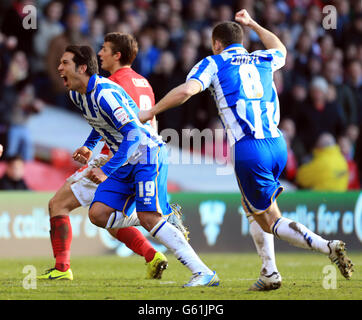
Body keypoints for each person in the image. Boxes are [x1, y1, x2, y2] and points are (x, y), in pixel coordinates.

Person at [139, 9, 354, 290]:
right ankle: (269, 273)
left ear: (216, 43)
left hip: (249, 149)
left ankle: (327, 246)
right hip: (277, 144)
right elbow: (280, 48)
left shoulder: (213, 63)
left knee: (270, 220)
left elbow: (187, 91)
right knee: (253, 207)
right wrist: (253, 23)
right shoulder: (263, 58)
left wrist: (151, 112)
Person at [55, 44, 219, 287]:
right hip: (126, 158)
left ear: (81, 68)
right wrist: (90, 146)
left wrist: (106, 169)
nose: (59, 68)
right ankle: (162, 216)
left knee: (148, 216)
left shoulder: (105, 94)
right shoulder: (77, 94)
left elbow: (133, 134)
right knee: (98, 214)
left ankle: (203, 272)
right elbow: (99, 123)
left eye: (64, 63)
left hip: (146, 155)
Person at [38, 33, 188, 282]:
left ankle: (63, 268)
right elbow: (144, 120)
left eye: (105, 49)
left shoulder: (109, 84)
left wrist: (106, 162)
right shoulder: (144, 83)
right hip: (142, 154)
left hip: (118, 157)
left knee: (59, 205)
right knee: (104, 215)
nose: (100, 54)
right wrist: (89, 145)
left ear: (117, 55)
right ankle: (152, 254)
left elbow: (125, 127)